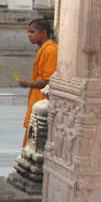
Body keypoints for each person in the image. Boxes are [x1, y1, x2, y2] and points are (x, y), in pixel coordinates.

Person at [18, 19, 58, 147]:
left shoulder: (51, 50)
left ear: (43, 33)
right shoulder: (44, 49)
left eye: (32, 32)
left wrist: (29, 83)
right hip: (36, 100)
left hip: (43, 102)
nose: (28, 35)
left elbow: (48, 80)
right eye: (28, 32)